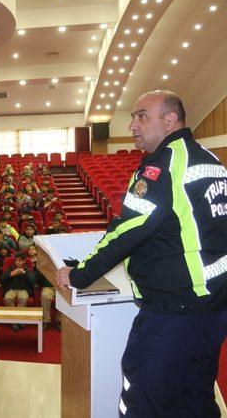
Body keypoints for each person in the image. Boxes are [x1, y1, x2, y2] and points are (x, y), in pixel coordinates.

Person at [56, 90, 227, 417]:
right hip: (213, 304)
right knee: (195, 398)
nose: (132, 125)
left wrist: (79, 274)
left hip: (174, 311)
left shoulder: (162, 167)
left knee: (142, 402)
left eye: (141, 116)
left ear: (170, 119)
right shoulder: (211, 160)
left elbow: (129, 230)